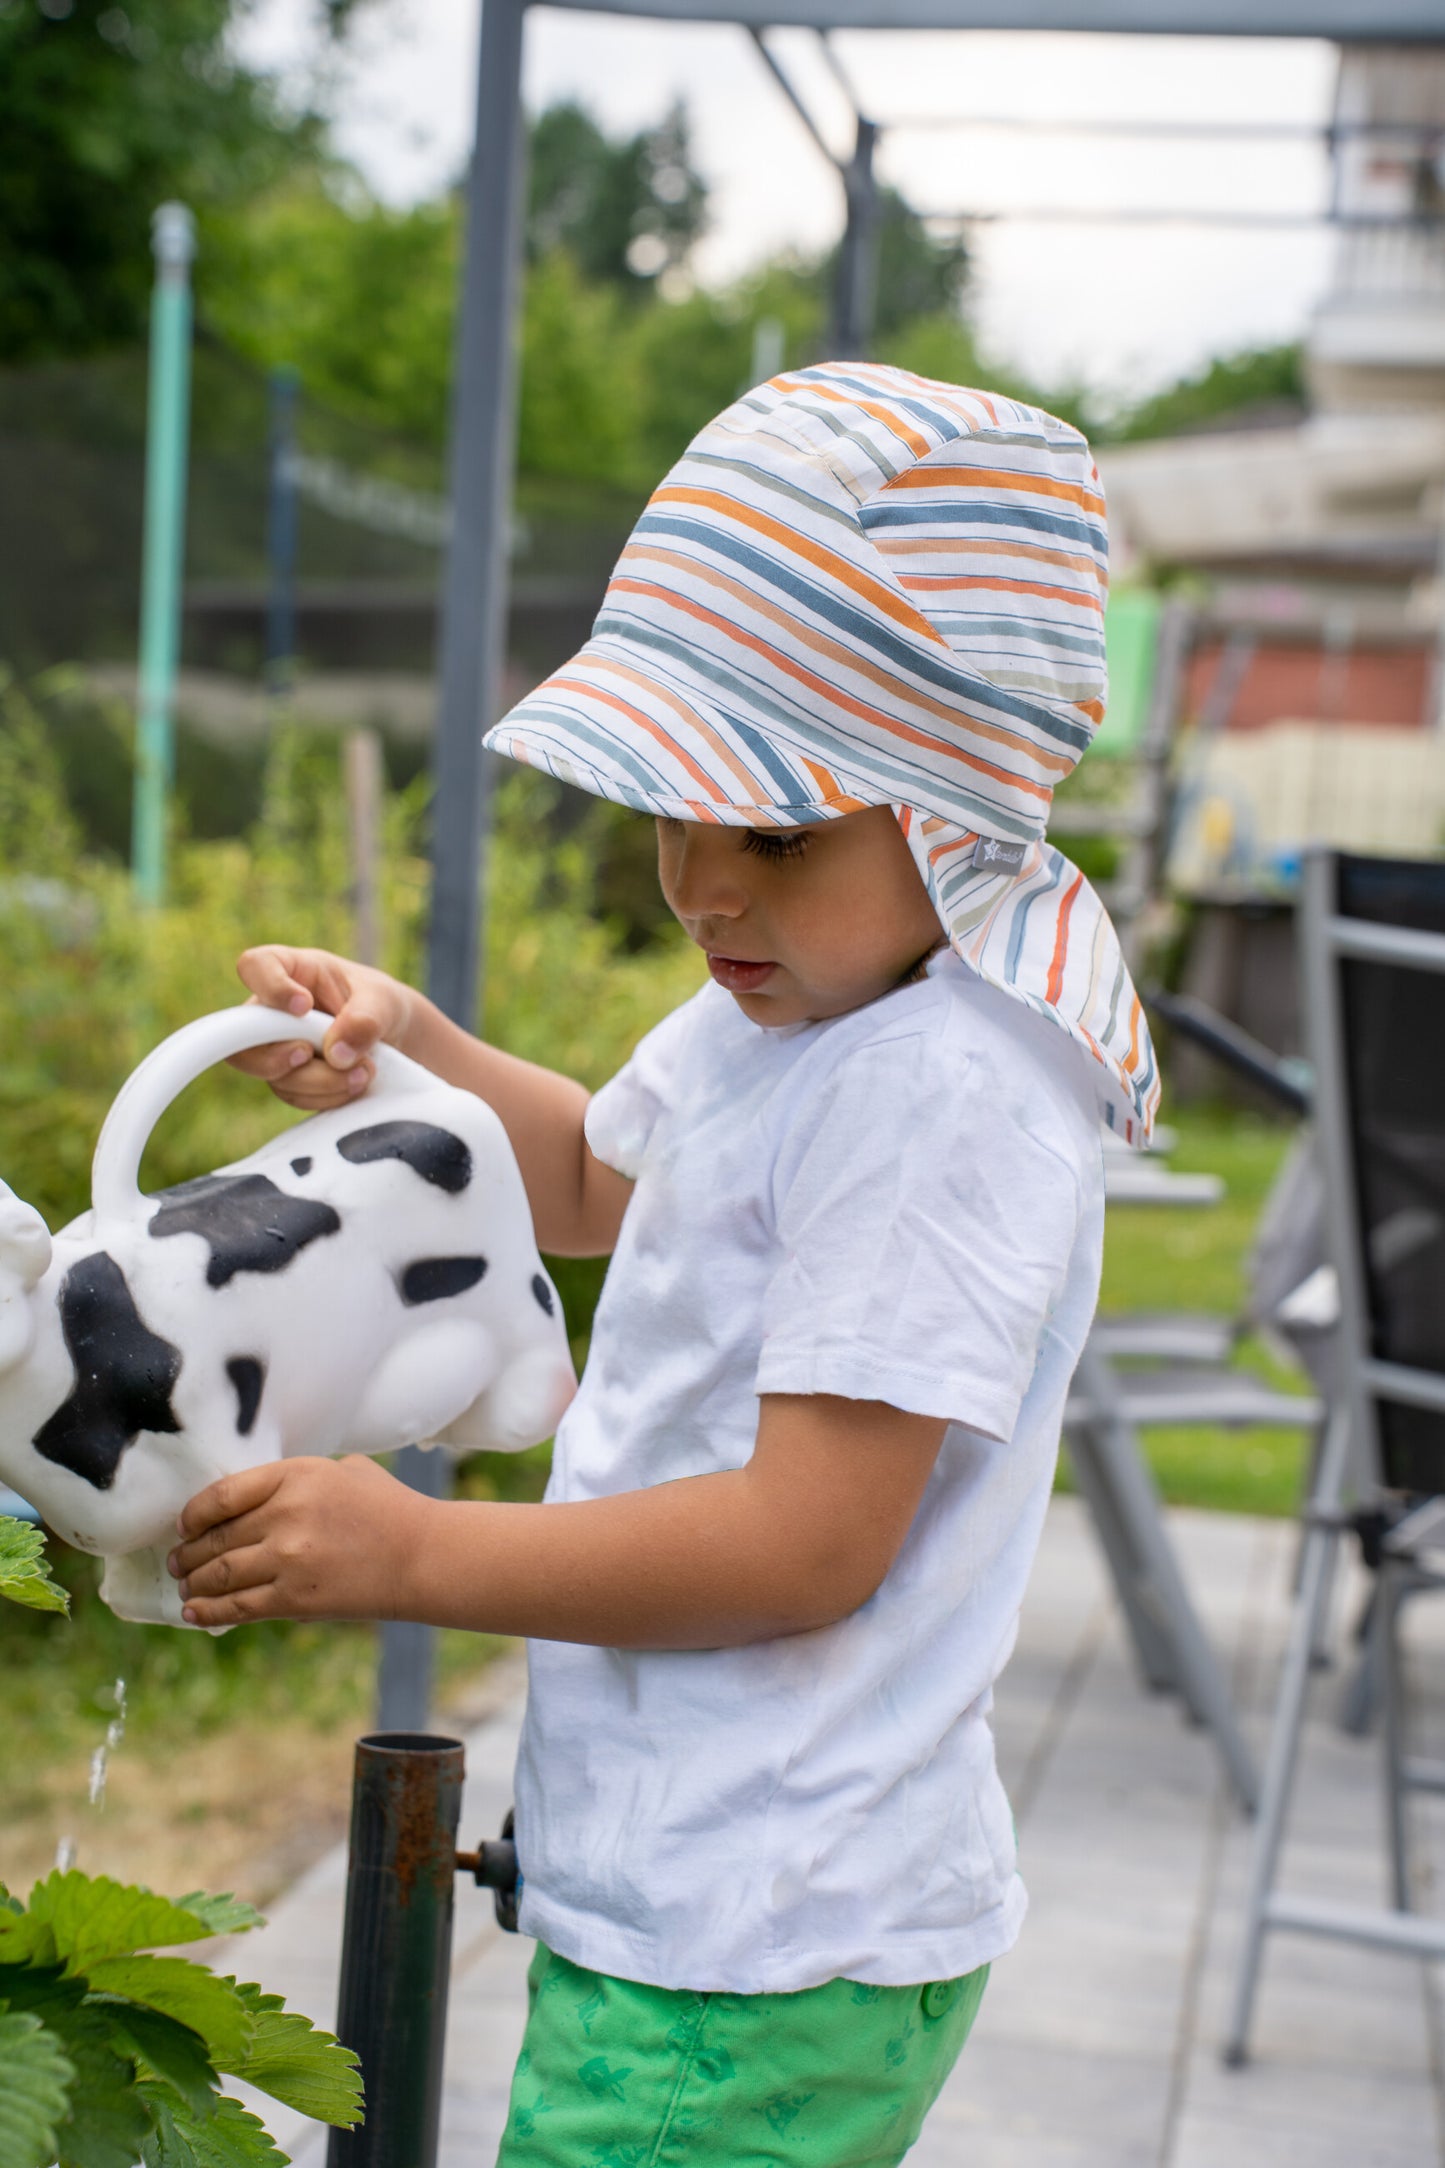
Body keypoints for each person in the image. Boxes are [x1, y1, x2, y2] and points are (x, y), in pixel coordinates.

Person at [169, 363, 1158, 2165]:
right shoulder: (798, 1004)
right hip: (701, 1895)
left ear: (954, 806)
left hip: (767, 1944)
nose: (700, 882)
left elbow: (804, 1546)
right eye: (672, 809)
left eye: (770, 827)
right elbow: (603, 1185)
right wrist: (411, 1050)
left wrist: (412, 1552)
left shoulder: (940, 1090)